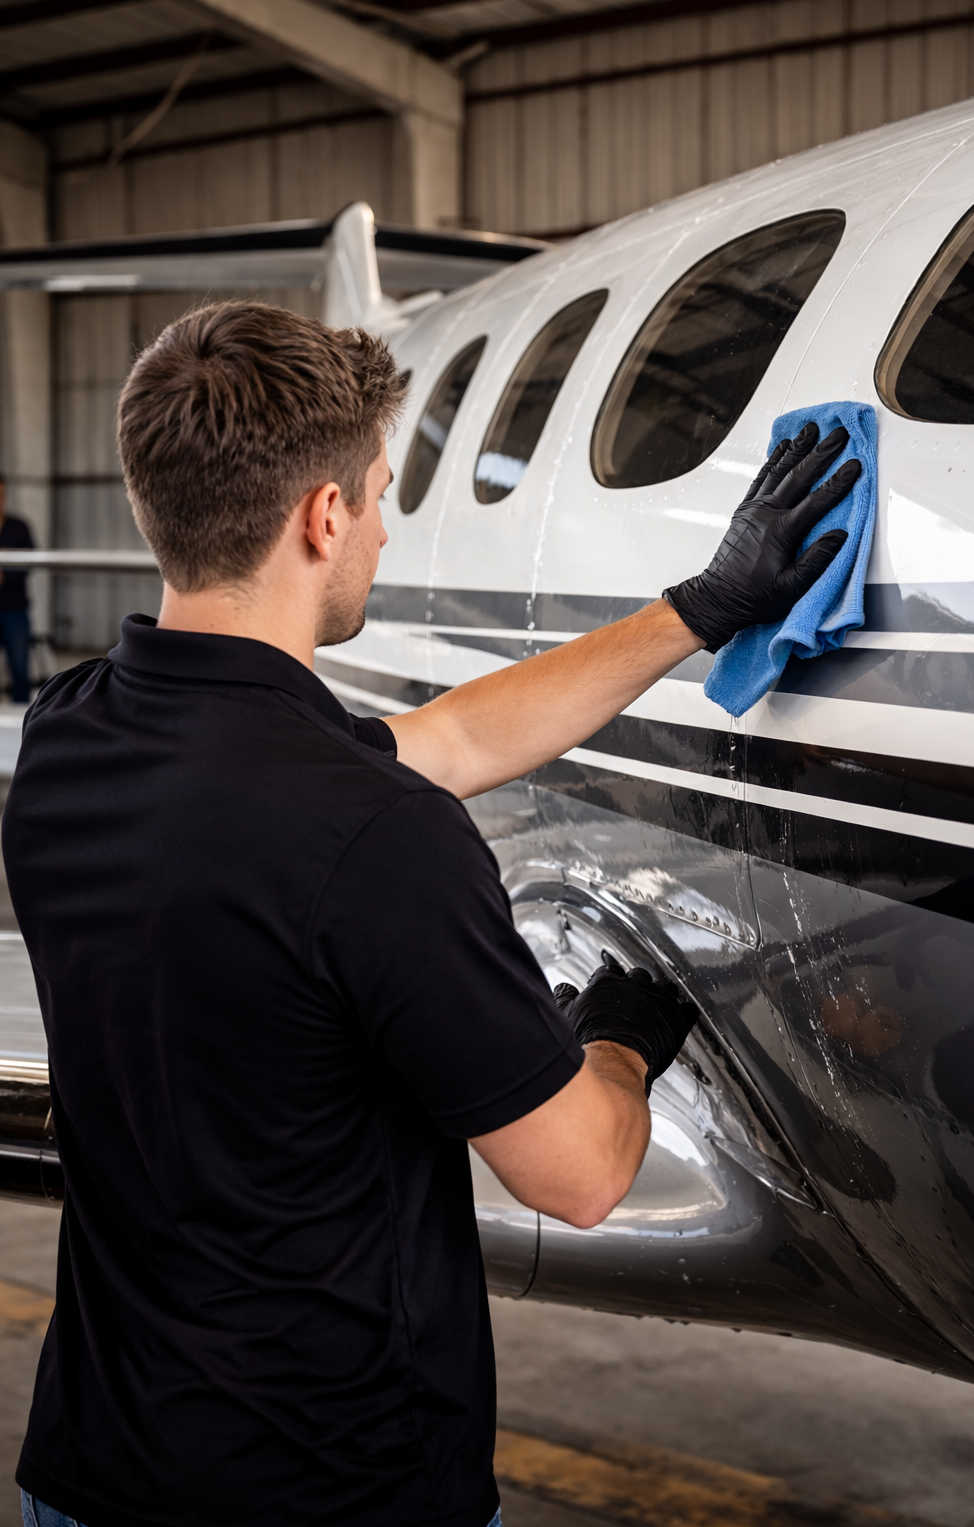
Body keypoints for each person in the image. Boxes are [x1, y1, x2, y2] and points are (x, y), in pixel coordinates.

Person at [3, 303, 858, 1527]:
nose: (387, 526)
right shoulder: (379, 839)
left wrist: (698, 610)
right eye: (379, 492)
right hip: (339, 1492)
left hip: (92, 1470)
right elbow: (575, 1176)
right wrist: (618, 1044)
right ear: (325, 515)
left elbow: (447, 738)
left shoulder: (72, 734)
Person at [0, 475, 36, 704]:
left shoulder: (18, 527)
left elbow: (31, 562)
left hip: (14, 609)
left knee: (20, 669)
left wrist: (5, 573)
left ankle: (21, 725)